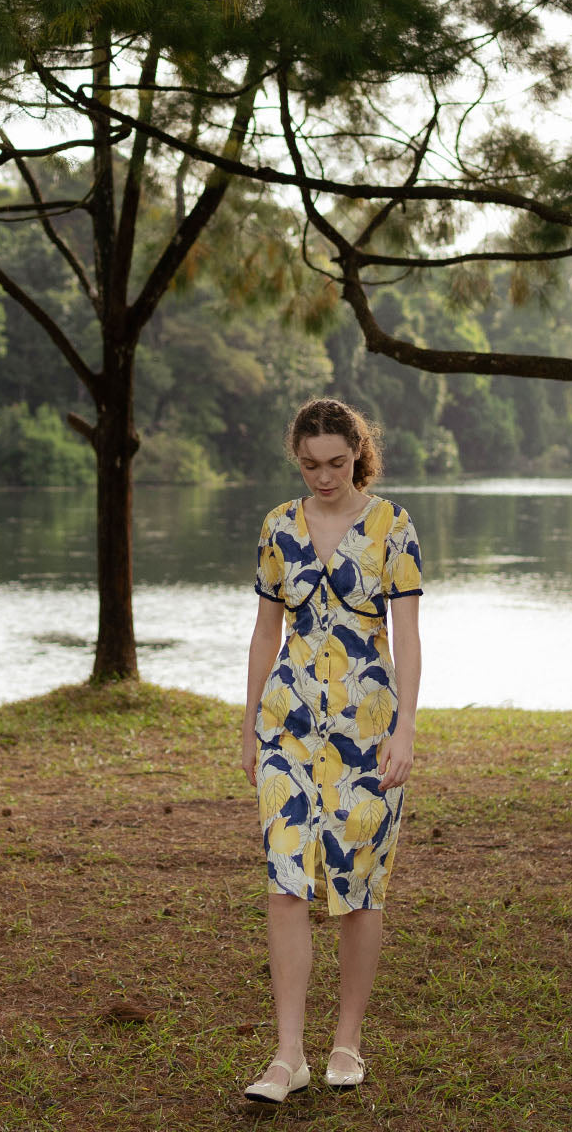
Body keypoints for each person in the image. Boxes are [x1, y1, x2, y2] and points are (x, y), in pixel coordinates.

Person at [240, 397, 423, 1102]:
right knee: (285, 885)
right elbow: (266, 632)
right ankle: (288, 1056)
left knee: (356, 891)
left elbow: (406, 636)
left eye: (337, 463)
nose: (323, 476)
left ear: (358, 454)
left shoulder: (393, 526)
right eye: (311, 465)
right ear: (298, 458)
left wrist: (405, 729)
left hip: (368, 732)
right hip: (286, 724)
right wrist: (249, 723)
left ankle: (346, 1041)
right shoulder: (277, 528)